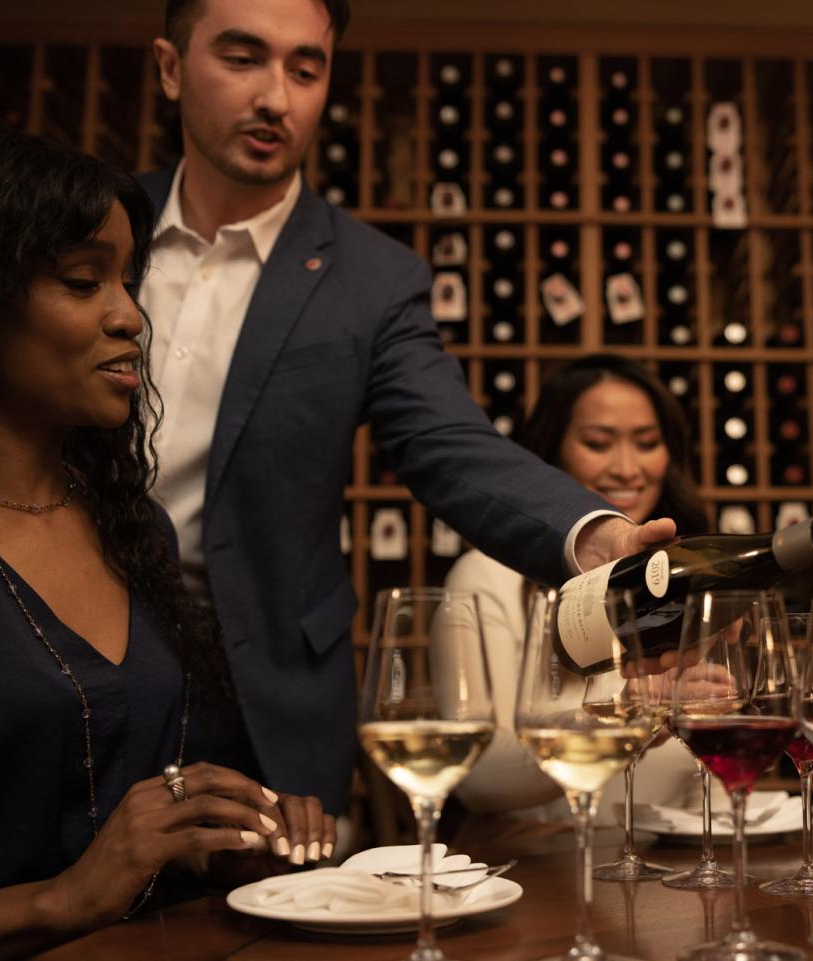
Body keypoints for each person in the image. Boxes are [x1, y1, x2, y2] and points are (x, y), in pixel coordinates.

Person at [139, 0, 670, 822]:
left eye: (305, 69)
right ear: (171, 67)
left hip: (263, 683)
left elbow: (450, 443)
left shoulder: (372, 278)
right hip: (75, 659)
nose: (277, 96)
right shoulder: (94, 225)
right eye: (242, 59)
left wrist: (592, 534)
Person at [0, 119, 333, 959]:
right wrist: (58, 899)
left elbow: (104, 801)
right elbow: (74, 879)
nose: (131, 316)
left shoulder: (130, 525)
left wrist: (207, 833)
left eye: (130, 279)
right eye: (85, 280)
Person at [448, 354, 706, 817]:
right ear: (550, 453)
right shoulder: (486, 577)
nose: (628, 468)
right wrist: (633, 715)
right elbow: (478, 775)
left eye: (647, 443)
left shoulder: (686, 578)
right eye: (597, 443)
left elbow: (711, 784)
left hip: (671, 878)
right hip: (537, 875)